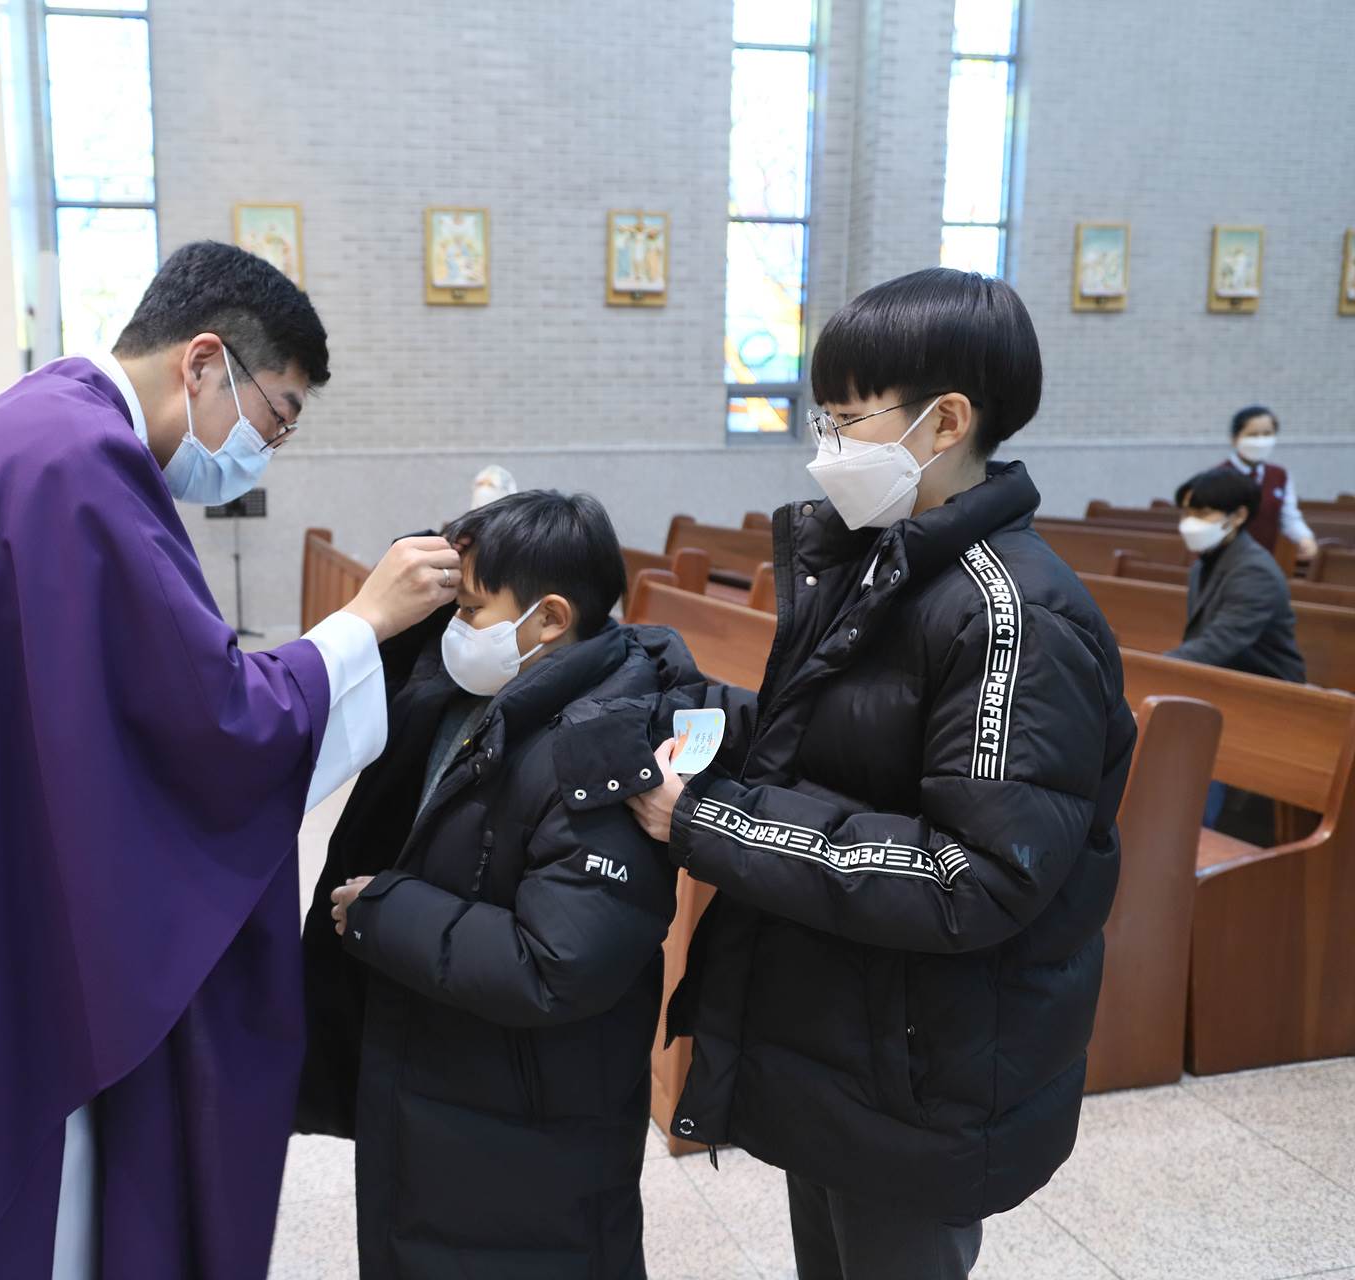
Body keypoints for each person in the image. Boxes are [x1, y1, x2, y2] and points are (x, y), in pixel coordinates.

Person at [0, 242, 464, 1280]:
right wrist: (363, 622)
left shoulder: (27, 429)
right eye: (276, 416)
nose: (265, 450)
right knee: (10, 1200)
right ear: (203, 362)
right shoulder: (81, 468)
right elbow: (207, 725)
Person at [612, 268, 1136, 1279]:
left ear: (948, 422)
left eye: (849, 419)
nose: (827, 446)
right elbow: (822, 742)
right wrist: (676, 702)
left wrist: (708, 823)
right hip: (842, 1025)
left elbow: (978, 873)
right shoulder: (879, 563)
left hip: (924, 1061)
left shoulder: (1012, 615)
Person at [298, 490, 706, 1279]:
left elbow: (559, 961)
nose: (453, 628)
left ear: (549, 620)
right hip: (444, 1080)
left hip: (528, 1122)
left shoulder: (606, 747)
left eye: (469, 609)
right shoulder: (481, 695)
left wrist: (386, 910)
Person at [1169, 467, 1306, 683]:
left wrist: (1155, 666)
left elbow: (1219, 642)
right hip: (1224, 676)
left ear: (1239, 516)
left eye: (1202, 513)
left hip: (1268, 688)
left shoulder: (1256, 572)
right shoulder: (1203, 563)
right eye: (1187, 513)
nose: (1189, 522)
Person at [1223, 405, 1318, 560]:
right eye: (1253, 435)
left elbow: (1288, 516)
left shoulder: (1280, 475)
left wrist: (1304, 537)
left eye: (1267, 434)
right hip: (1227, 559)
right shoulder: (1219, 476)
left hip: (1266, 558)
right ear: (1235, 439)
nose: (1260, 441)